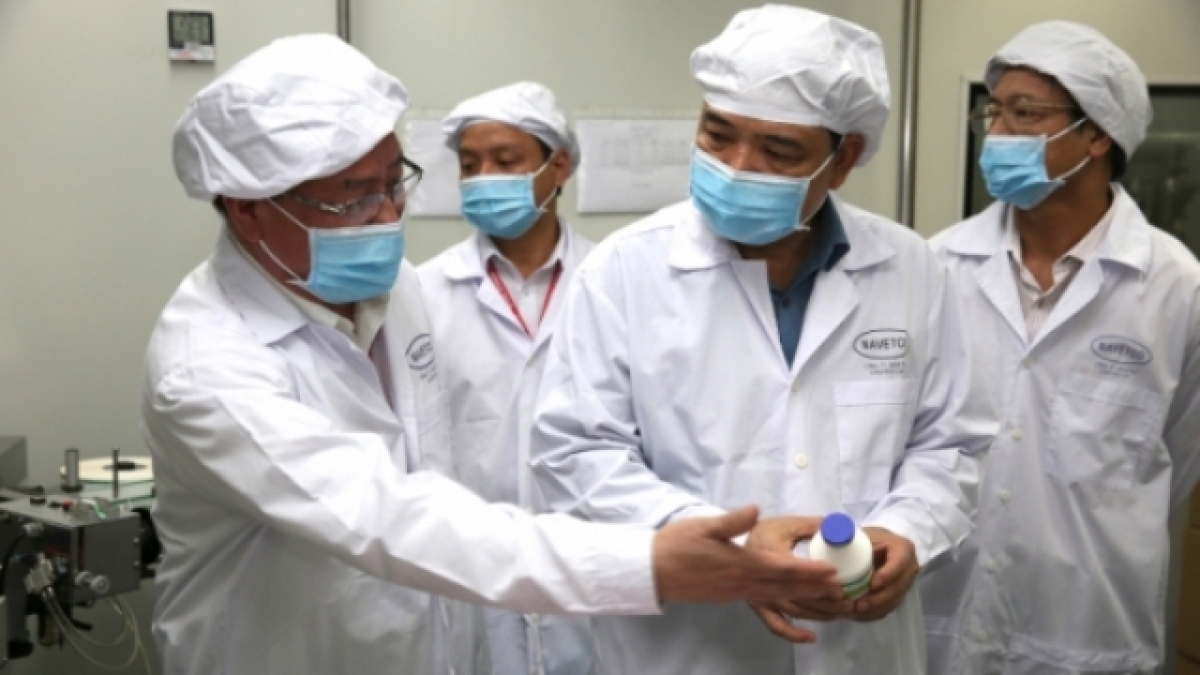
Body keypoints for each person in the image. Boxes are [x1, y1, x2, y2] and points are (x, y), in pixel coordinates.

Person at [143, 33, 845, 675]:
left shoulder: (397, 291)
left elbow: (439, 474)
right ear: (248, 208)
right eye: (353, 200)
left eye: (395, 181)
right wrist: (656, 561)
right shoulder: (207, 369)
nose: (390, 215)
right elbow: (390, 514)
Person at [528, 6, 995, 674]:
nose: (739, 166)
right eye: (718, 135)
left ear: (844, 160)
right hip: (686, 646)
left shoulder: (911, 269)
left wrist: (909, 530)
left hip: (857, 647)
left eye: (778, 150)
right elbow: (573, 451)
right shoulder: (625, 270)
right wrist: (733, 546)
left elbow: (948, 442)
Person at [921, 21, 1200, 675]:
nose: (997, 134)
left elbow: (1175, 460)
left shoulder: (1176, 287)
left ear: (1097, 133)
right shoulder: (936, 267)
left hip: (1087, 635)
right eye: (993, 113)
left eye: (1023, 113)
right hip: (942, 621)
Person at [417, 82, 600, 675]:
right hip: (474, 573)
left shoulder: (613, 281)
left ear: (559, 166)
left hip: (590, 570)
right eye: (469, 166)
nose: (483, 177)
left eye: (505, 161)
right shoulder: (423, 293)